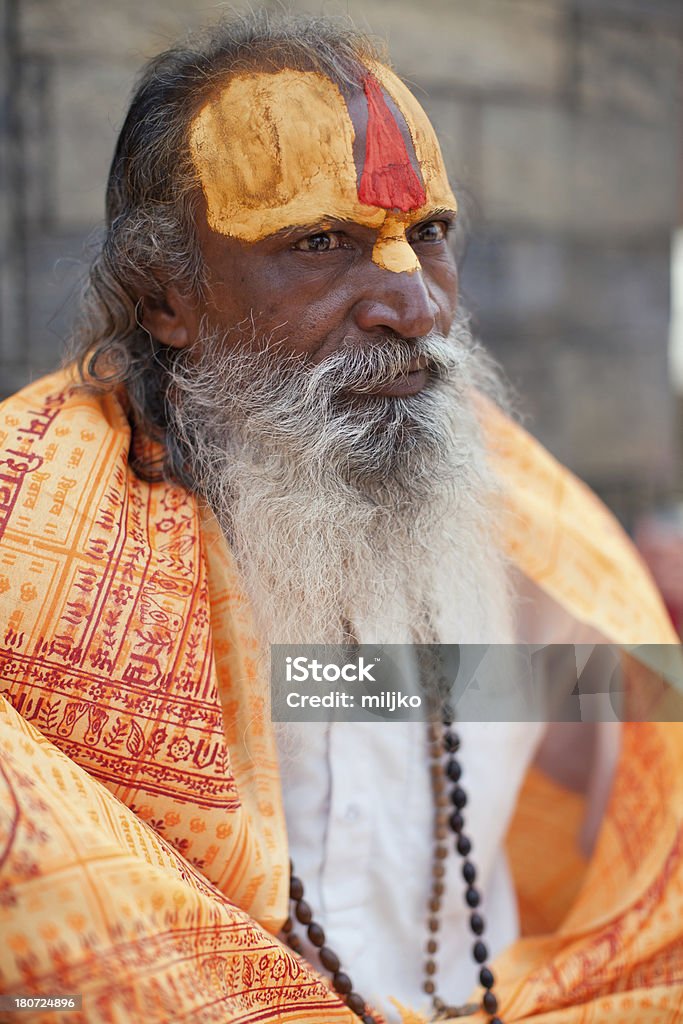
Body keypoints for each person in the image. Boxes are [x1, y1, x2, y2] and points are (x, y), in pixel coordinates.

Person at [0, 11, 681, 1024]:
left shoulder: (515, 511)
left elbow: (618, 722)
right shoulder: (24, 533)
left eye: (429, 235)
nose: (412, 306)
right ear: (163, 296)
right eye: (320, 242)